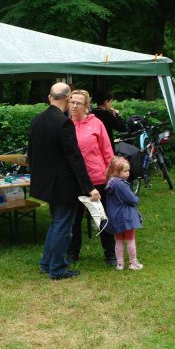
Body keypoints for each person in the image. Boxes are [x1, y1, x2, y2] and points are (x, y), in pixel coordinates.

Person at [28, 82, 100, 280]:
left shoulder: (37, 120)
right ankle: (58, 268)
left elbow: (31, 155)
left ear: (49, 97)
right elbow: (74, 158)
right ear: (68, 99)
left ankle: (46, 263)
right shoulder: (63, 122)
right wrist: (89, 187)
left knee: (56, 223)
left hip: (46, 183)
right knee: (63, 226)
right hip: (63, 184)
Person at [66, 89, 116, 265]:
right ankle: (72, 253)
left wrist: (112, 175)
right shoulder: (65, 124)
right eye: (71, 102)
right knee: (74, 220)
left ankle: (110, 253)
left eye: (78, 103)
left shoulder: (96, 124)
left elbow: (107, 151)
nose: (74, 106)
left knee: (101, 217)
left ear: (86, 105)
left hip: (96, 178)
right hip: (73, 180)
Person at [104, 156, 144, 271]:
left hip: (115, 218)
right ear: (116, 171)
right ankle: (133, 263)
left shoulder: (110, 183)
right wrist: (137, 200)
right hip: (126, 217)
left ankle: (120, 264)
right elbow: (131, 199)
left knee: (119, 241)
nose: (128, 173)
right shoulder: (121, 184)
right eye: (125, 171)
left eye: (128, 170)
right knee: (131, 239)